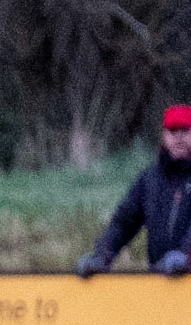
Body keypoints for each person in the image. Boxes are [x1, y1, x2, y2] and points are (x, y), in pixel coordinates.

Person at [76, 104, 191, 277]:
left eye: (185, 131)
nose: (179, 138)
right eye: (173, 131)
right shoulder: (150, 180)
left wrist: (186, 258)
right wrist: (101, 257)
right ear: (164, 135)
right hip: (161, 283)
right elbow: (124, 222)